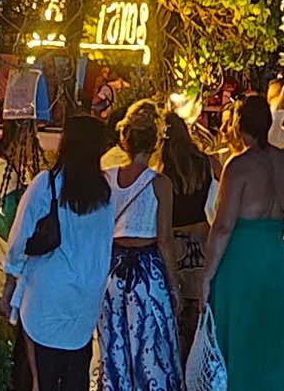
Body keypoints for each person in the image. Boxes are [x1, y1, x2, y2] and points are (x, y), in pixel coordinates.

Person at [207, 97, 284, 391]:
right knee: (272, 340)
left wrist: (208, 274)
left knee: (239, 338)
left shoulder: (238, 166)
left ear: (239, 126)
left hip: (241, 258)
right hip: (276, 256)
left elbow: (223, 226)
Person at [6, 115, 119, 391]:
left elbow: (19, 237)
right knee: (75, 372)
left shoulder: (47, 183)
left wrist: (12, 275)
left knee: (39, 376)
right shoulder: (104, 190)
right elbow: (105, 244)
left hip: (46, 292)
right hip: (86, 297)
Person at [100, 101, 183, 391]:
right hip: (148, 271)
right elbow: (164, 239)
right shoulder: (160, 184)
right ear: (156, 142)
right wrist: (174, 286)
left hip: (113, 269)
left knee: (115, 344)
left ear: (125, 140)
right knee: (151, 349)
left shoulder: (107, 178)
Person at [162, 110, 217, 351]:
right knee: (201, 309)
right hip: (203, 239)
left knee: (177, 313)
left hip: (174, 242)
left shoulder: (160, 170)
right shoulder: (206, 162)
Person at [0, 124, 45, 306]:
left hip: (1, 278)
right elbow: (8, 225)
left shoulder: (15, 173)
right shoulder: (3, 174)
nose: (37, 145)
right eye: (33, 138)